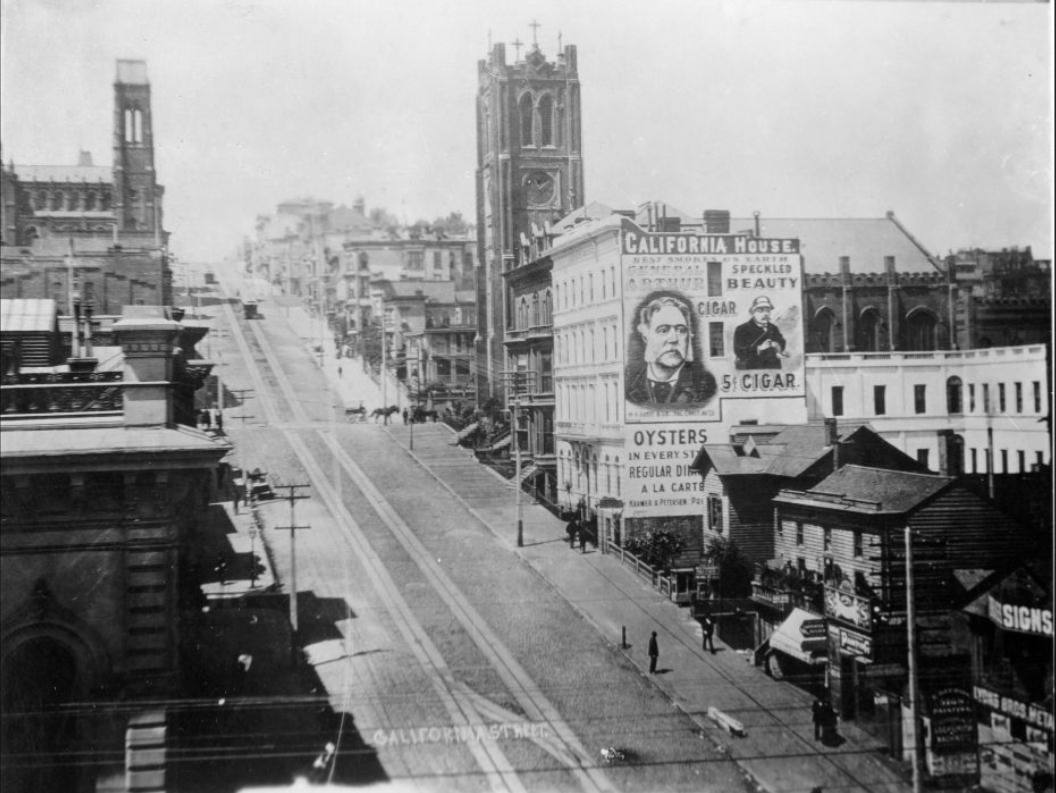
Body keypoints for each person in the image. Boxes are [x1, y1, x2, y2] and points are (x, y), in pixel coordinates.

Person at [625, 293, 716, 408]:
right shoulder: (630, 386)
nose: (673, 339)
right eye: (663, 330)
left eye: (681, 330)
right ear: (645, 336)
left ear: (688, 336)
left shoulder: (705, 386)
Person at [733, 295, 787, 370]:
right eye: (761, 310)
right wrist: (760, 348)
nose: (765, 314)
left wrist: (776, 345)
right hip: (752, 371)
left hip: (774, 370)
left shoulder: (773, 328)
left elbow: (782, 342)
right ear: (753, 312)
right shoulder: (742, 329)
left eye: (768, 310)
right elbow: (739, 351)